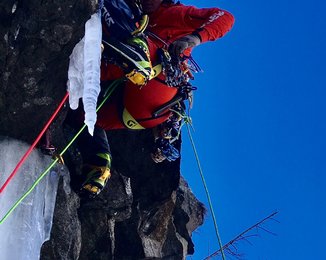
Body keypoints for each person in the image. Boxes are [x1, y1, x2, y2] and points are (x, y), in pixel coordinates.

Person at [65, 0, 234, 196]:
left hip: (158, 82)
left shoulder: (176, 13)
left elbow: (225, 17)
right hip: (140, 112)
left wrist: (194, 38)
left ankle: (138, 54)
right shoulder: (139, 14)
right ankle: (98, 164)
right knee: (80, 115)